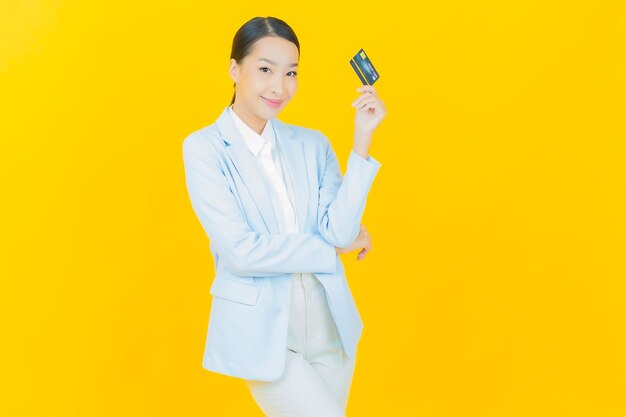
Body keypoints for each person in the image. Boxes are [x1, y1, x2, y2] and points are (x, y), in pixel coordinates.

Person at [182, 16, 386, 417]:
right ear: (233, 69)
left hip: (332, 334)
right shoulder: (204, 148)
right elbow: (241, 252)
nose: (279, 87)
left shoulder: (312, 144)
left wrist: (362, 138)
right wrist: (330, 249)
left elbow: (339, 229)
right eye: (265, 70)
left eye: (291, 73)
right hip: (265, 339)